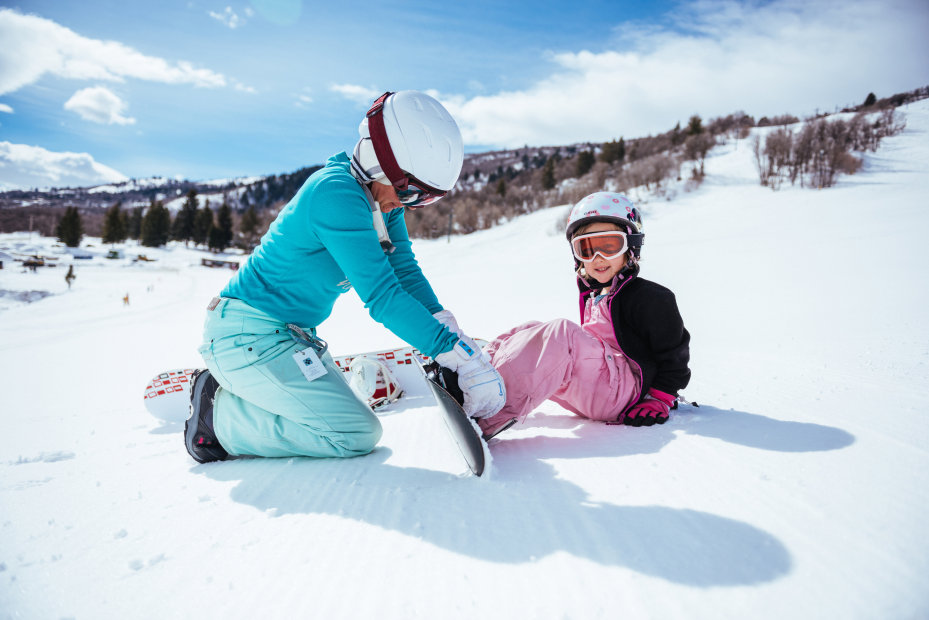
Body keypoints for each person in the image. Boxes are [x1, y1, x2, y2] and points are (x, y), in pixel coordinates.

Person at [184, 90, 506, 464]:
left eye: (424, 199)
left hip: (289, 336)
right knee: (354, 435)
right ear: (381, 162)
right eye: (411, 191)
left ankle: (255, 392)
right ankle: (217, 420)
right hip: (247, 336)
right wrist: (453, 353)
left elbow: (405, 274)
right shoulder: (335, 193)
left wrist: (449, 336)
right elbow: (383, 295)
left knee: (352, 424)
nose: (409, 204)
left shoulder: (381, 202)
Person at [477, 192, 690, 439]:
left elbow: (676, 356)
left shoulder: (650, 297)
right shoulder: (596, 295)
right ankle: (478, 374)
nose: (598, 258)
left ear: (631, 246)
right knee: (532, 329)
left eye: (609, 246)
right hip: (602, 387)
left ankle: (487, 413)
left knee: (561, 334)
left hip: (626, 395)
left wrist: (659, 399)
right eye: (587, 249)